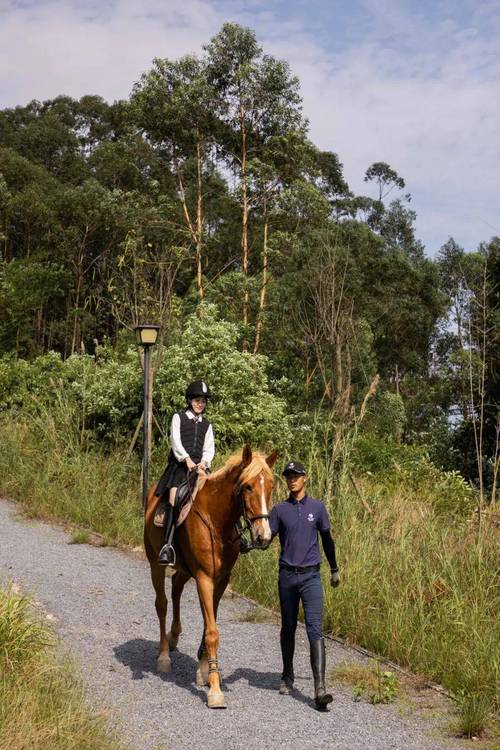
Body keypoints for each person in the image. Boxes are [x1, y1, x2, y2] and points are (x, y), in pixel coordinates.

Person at [269, 460, 340, 709]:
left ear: (305, 478)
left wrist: (334, 569)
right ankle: (287, 676)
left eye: (296, 476)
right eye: (288, 476)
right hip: (287, 577)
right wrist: (249, 544)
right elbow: (266, 539)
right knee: (288, 627)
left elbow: (327, 541)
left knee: (314, 629)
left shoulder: (318, 508)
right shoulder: (279, 510)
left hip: (311, 577)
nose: (292, 480)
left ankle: (320, 688)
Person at [155, 380, 215, 567]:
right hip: (180, 468)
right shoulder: (178, 418)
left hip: (200, 469)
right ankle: (167, 546)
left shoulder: (207, 424)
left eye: (203, 401)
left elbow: (209, 448)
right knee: (174, 498)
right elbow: (176, 442)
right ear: (190, 400)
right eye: (197, 400)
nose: (200, 404)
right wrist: (187, 460)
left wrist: (204, 463)